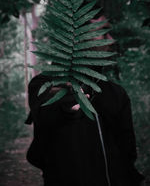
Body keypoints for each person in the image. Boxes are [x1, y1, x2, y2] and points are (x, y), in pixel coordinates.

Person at [25, 16, 145, 186]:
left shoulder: (116, 93)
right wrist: (64, 107)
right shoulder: (44, 85)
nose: (112, 40)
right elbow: (43, 117)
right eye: (103, 33)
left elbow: (127, 151)